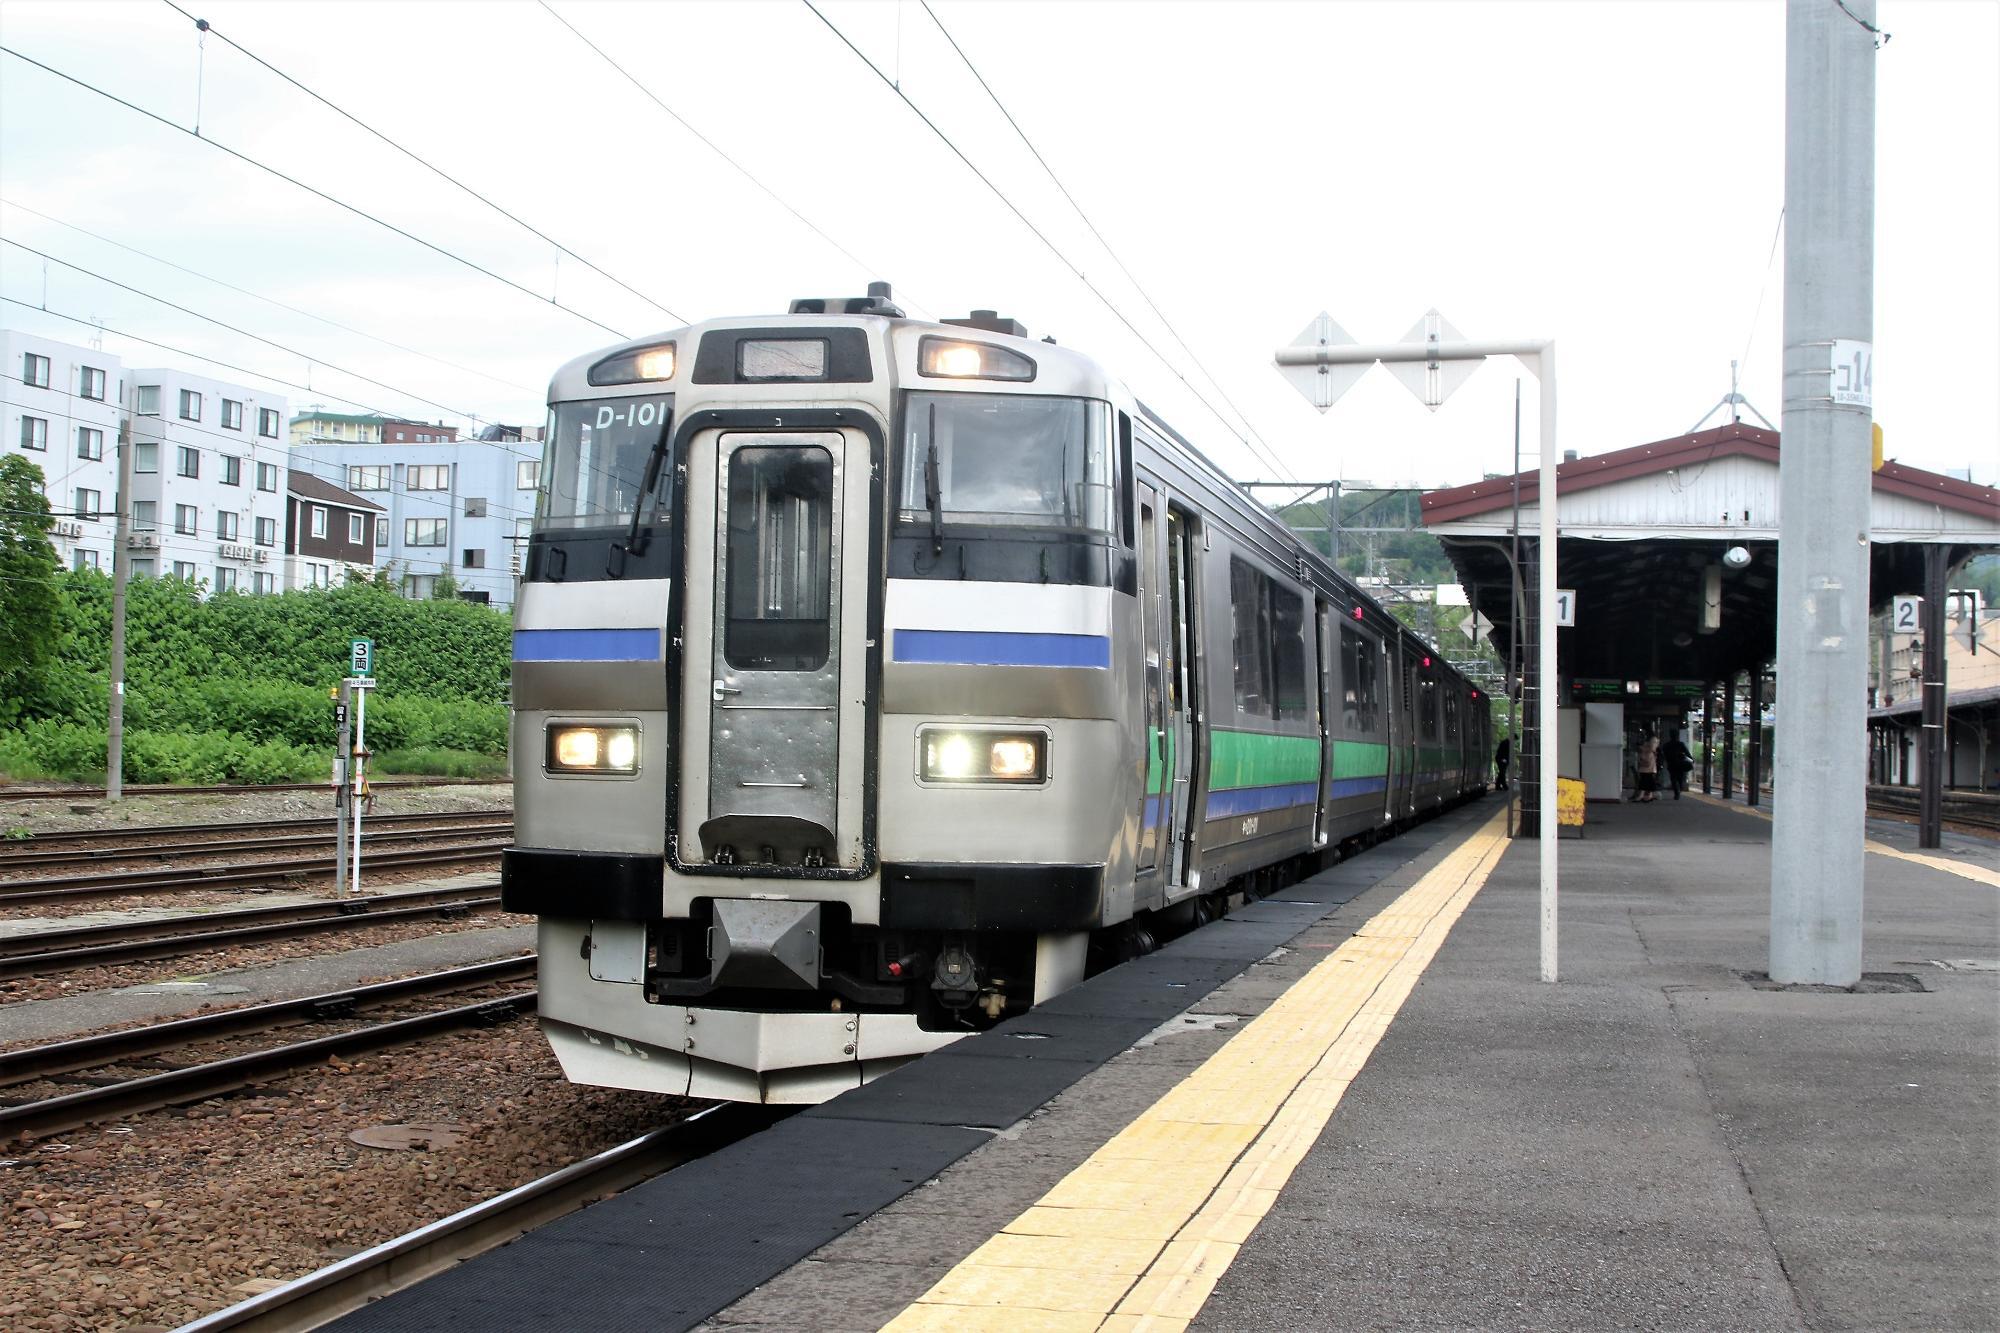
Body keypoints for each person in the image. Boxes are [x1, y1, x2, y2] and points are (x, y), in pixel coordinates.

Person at [1662, 732, 1693, 800]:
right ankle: (1680, 788)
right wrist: (1691, 759)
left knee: (1673, 778)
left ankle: (1676, 792)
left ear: (1670, 736)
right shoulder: (1680, 744)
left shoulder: (1666, 745)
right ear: (1677, 736)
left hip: (1671, 764)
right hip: (1680, 764)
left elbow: (1664, 754)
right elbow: (1687, 752)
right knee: (1680, 778)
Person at [1634, 730, 1660, 803]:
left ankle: (1646, 796)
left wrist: (1642, 748)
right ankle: (1646, 796)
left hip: (1649, 761)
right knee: (1645, 779)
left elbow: (1652, 749)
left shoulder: (1653, 739)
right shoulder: (1650, 739)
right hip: (1645, 760)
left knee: (1647, 779)